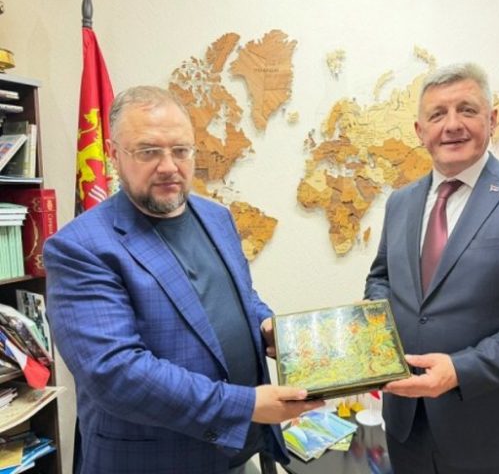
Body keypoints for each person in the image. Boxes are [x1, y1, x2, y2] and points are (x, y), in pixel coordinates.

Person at [44, 86, 323, 474]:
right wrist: (245, 405)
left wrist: (265, 326)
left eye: (180, 150)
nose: (168, 166)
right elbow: (115, 372)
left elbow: (238, 297)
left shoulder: (216, 217)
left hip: (240, 450)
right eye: (148, 151)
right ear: (114, 154)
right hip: (153, 462)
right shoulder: (80, 247)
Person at [365, 63, 499, 474]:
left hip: (493, 432)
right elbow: (382, 280)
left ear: (492, 119)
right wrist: (376, 335)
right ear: (419, 131)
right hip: (407, 425)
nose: (452, 125)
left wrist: (460, 369)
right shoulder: (400, 202)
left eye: (467, 110)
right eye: (437, 114)